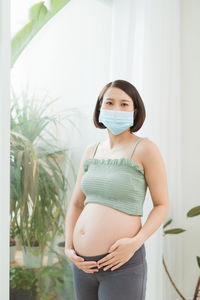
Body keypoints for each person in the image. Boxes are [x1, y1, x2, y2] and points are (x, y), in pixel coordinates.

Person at [64, 79, 170, 300]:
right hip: (83, 267)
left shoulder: (145, 149)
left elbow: (162, 205)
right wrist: (69, 247)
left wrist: (135, 242)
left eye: (124, 104)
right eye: (110, 102)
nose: (116, 108)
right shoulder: (91, 150)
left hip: (121, 264)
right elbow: (75, 204)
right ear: (100, 108)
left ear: (135, 111)